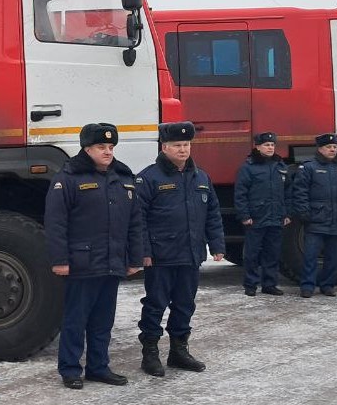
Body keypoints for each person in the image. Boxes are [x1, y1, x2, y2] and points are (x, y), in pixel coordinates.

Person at [45, 123, 144, 389]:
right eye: (101, 147)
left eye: (111, 147)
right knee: (76, 320)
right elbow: (56, 224)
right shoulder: (67, 179)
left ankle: (99, 367)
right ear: (86, 149)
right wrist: (60, 260)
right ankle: (70, 369)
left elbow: (135, 222)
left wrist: (135, 258)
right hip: (81, 263)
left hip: (112, 263)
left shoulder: (123, 178)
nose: (108, 152)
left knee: (103, 321)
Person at [135, 122, 225, 377]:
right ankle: (150, 353)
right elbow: (138, 218)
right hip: (161, 257)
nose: (183, 150)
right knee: (155, 305)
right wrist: (144, 251)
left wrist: (217, 244)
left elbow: (212, 214)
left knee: (185, 304)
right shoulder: (148, 178)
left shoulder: (201, 177)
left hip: (190, 255)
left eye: (186, 145)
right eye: (177, 145)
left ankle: (179, 351)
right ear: (164, 147)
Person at [290, 133, 337, 298]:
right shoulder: (309, 168)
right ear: (320, 149)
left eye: (335, 147)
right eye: (329, 147)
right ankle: (307, 286)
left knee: (333, 257)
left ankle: (327, 285)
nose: (332, 149)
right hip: (315, 220)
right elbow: (300, 192)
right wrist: (305, 213)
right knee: (310, 256)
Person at [233, 132, 291, 296]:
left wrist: (286, 213)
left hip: (276, 218)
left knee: (272, 253)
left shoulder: (281, 167)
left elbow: (288, 193)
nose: (270, 147)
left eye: (272, 145)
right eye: (266, 145)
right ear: (257, 147)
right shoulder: (248, 167)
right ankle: (250, 285)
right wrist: (244, 215)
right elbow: (240, 194)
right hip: (256, 218)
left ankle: (269, 284)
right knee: (252, 254)